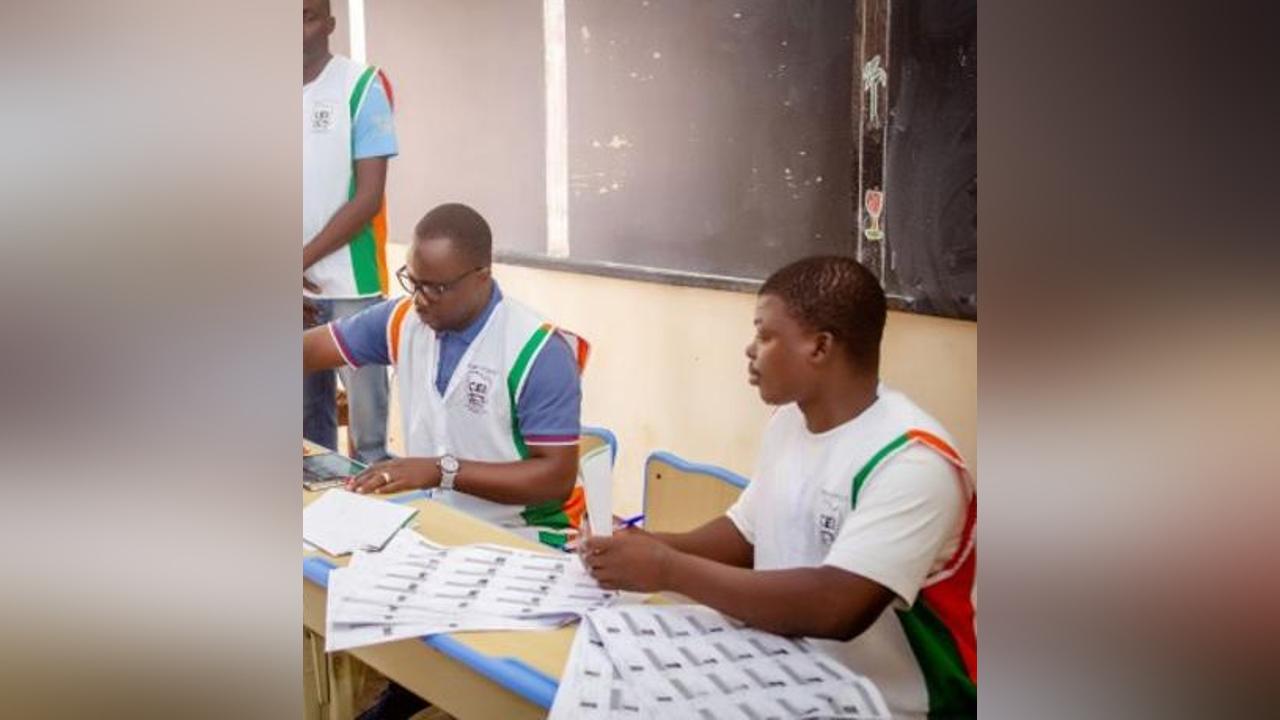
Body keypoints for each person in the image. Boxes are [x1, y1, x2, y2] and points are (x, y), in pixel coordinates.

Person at [583, 256, 976, 719]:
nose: (750, 350)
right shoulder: (789, 421)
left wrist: (667, 569)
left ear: (820, 346)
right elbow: (746, 534)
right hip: (789, 675)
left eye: (765, 335)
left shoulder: (912, 460)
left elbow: (837, 607)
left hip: (890, 705)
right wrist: (640, 544)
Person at [304, 202, 589, 720]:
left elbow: (555, 477)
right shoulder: (403, 320)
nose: (420, 299)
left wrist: (442, 469)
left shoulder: (538, 351)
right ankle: (406, 690)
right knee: (340, 582)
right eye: (413, 281)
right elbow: (310, 350)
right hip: (437, 531)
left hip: (524, 541)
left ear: (482, 277)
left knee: (456, 662)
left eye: (436, 288)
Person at [303, 0, 397, 464]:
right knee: (306, 433)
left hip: (352, 287)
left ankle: (369, 506)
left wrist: (299, 260)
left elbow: (369, 197)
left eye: (307, 16)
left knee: (368, 438)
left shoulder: (361, 85)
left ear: (329, 23)